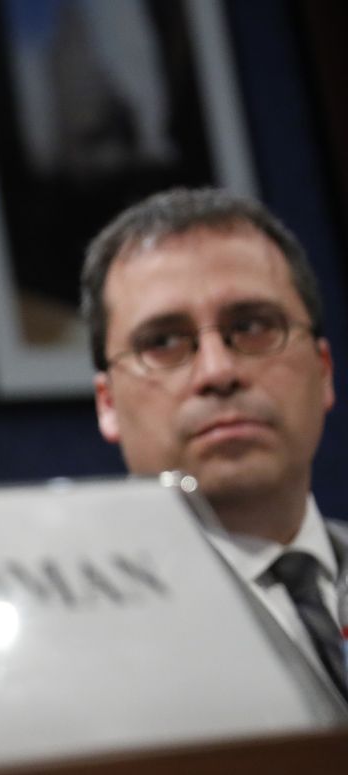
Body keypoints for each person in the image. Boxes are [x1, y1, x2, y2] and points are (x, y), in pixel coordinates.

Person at [84, 187, 344, 693]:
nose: (219, 371)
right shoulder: (83, 645)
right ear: (108, 403)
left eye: (251, 327)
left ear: (323, 370)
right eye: (163, 342)